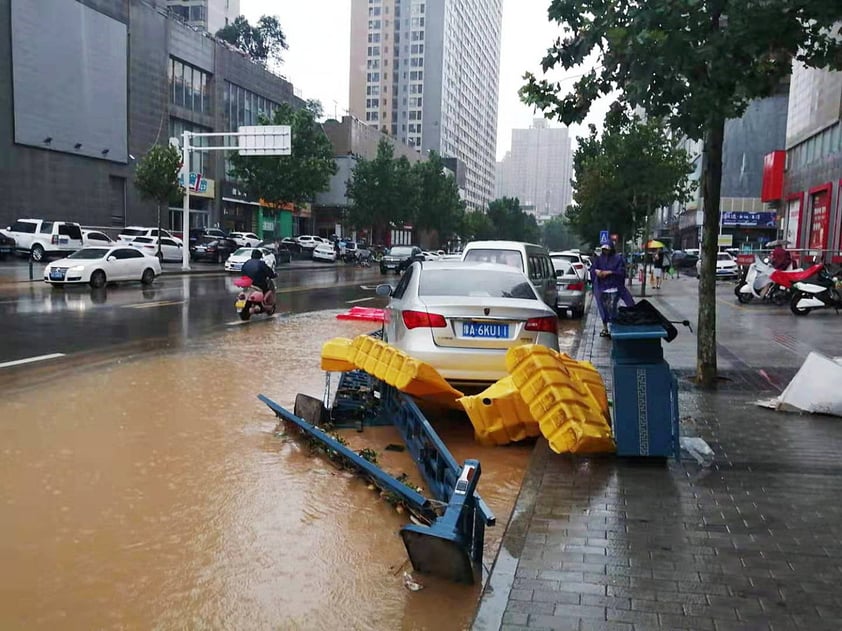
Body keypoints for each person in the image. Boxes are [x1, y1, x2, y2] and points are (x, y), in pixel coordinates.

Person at [591, 242, 634, 338]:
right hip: (602, 289)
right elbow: (593, 268)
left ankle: (613, 327)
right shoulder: (599, 258)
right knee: (603, 309)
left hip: (614, 288)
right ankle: (605, 328)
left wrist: (610, 272)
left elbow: (622, 272)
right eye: (604, 249)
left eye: (607, 249)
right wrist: (596, 272)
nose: (605, 251)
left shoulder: (618, 258)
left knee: (613, 308)